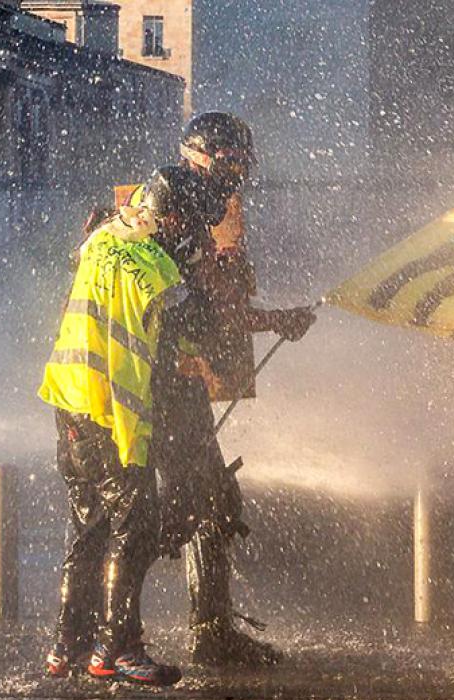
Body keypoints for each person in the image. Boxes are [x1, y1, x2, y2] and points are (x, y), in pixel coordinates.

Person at [39, 165, 222, 685]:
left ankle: (64, 648)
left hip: (68, 402)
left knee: (88, 528)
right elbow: (199, 329)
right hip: (113, 417)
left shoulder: (101, 237)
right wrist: (204, 277)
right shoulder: (160, 270)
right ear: (174, 219)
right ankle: (115, 650)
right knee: (136, 528)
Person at [157, 112, 316, 666]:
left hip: (166, 382)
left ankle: (106, 641)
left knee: (200, 503)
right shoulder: (171, 217)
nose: (235, 182)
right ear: (198, 159)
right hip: (157, 387)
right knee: (153, 516)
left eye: (242, 169)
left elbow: (217, 307)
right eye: (229, 167)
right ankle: (180, 639)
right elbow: (221, 309)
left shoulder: (166, 217)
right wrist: (278, 319)